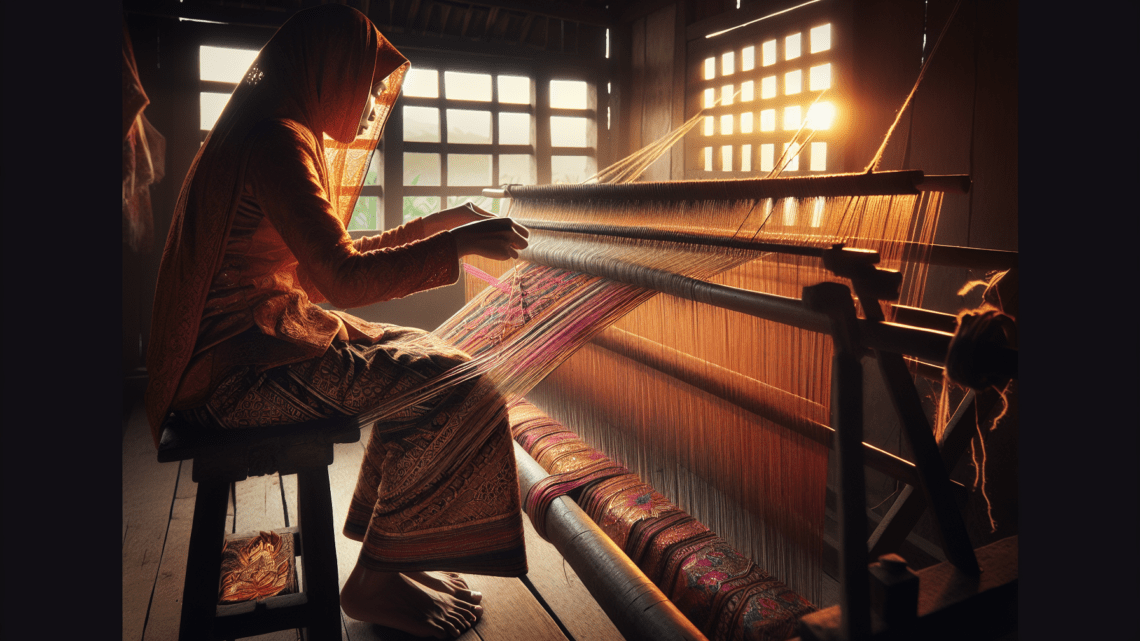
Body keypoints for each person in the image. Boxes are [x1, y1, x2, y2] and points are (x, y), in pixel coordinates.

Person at [145, 5, 530, 638]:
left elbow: (329, 257)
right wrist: (460, 247)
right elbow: (339, 280)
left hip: (246, 346)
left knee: (426, 356)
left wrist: (437, 229)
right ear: (329, 69)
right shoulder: (276, 140)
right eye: (367, 81)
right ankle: (377, 578)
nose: (373, 101)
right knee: (457, 383)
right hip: (232, 379)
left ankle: (390, 552)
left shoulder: (265, 129)